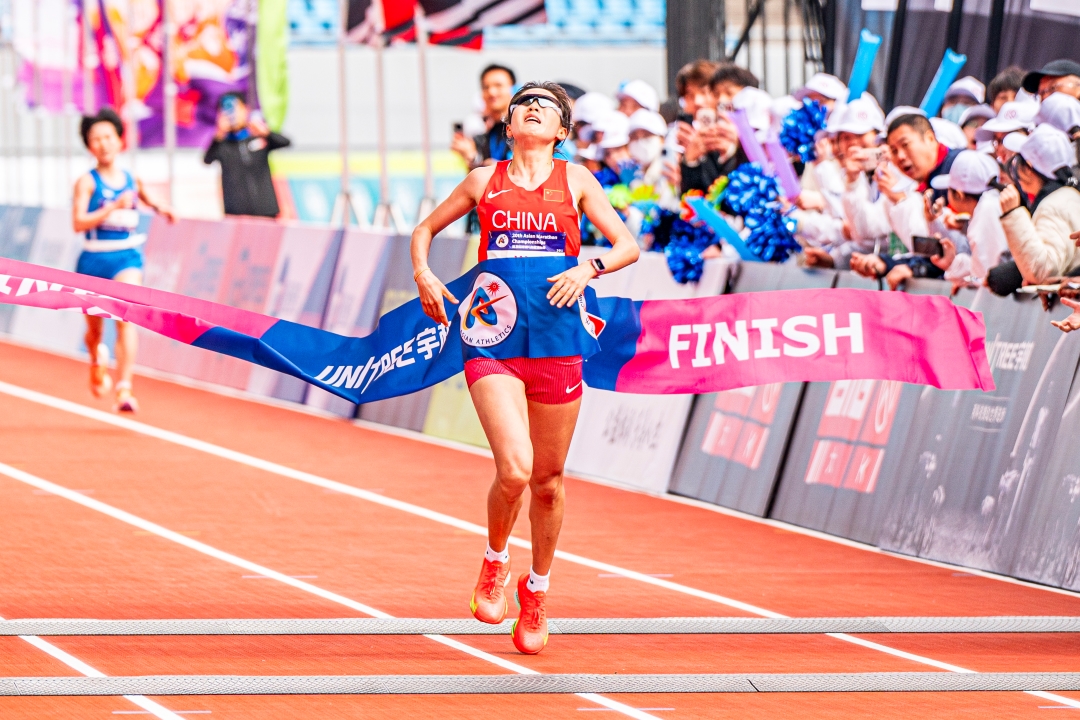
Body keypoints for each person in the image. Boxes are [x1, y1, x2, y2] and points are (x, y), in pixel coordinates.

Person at [409, 82, 639, 655]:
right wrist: (426, 275)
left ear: (562, 130)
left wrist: (589, 269)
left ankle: (536, 590)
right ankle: (493, 560)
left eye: (548, 106)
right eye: (524, 103)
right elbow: (423, 231)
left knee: (549, 481)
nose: (533, 107)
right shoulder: (483, 180)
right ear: (509, 125)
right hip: (491, 334)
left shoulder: (578, 181)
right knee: (515, 469)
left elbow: (627, 245)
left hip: (558, 339)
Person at [72, 108, 174, 412]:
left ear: (119, 141)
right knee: (95, 331)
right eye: (96, 139)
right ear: (89, 146)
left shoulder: (131, 178)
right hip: (93, 260)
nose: (103, 144)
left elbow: (149, 198)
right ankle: (96, 358)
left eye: (108, 137)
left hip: (126, 257)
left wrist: (163, 208)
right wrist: (110, 208)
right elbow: (78, 222)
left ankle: (124, 387)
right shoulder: (86, 183)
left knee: (126, 319)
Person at [999, 124, 1080, 284]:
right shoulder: (1069, 195)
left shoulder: (1054, 205)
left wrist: (1013, 215)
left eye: (1017, 163)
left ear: (1028, 169)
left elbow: (1044, 271)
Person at [203, 93, 291, 218]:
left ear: (246, 109)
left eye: (235, 109)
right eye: (226, 110)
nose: (231, 114)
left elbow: (285, 143)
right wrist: (219, 135)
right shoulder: (222, 144)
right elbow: (207, 159)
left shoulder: (257, 137)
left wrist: (266, 133)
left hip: (266, 210)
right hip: (236, 212)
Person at [451, 64, 516, 169]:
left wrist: (497, 167)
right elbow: (478, 179)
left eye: (498, 85)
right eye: (486, 87)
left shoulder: (521, 129)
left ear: (513, 88)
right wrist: (470, 157)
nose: (491, 92)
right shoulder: (485, 135)